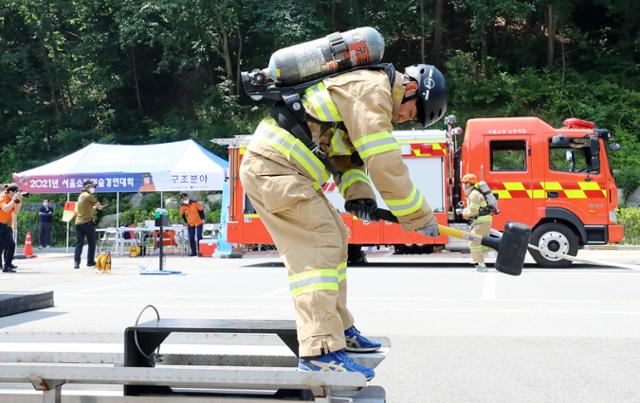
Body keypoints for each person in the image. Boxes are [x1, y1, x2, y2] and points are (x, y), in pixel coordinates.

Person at [239, 63, 447, 380]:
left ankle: (341, 329)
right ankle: (320, 353)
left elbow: (345, 154)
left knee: (336, 238)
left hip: (282, 171)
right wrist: (418, 216)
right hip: (274, 169)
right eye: (412, 113)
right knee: (319, 246)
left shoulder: (366, 91)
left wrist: (358, 193)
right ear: (412, 90)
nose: (405, 120)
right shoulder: (372, 89)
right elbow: (383, 161)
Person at [460, 173, 493, 272]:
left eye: (463, 183)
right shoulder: (473, 194)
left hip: (481, 222)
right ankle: (498, 250)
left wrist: (463, 212)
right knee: (480, 243)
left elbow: (472, 212)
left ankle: (481, 266)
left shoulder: (473, 195)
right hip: (482, 221)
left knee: (473, 243)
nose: (462, 186)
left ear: (467, 184)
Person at [74, 180, 103, 269]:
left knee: (79, 243)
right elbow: (98, 205)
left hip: (78, 223)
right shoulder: (88, 196)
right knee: (92, 242)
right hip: (87, 223)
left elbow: (86, 208)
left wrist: (93, 208)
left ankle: (76, 263)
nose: (94, 188)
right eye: (93, 187)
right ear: (88, 187)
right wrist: (99, 207)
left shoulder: (81, 196)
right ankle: (90, 262)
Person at [0, 185, 23, 272]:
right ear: (9, 192)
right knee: (3, 244)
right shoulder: (2, 197)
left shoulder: (11, 199)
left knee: (11, 244)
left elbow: (16, 211)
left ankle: (7, 265)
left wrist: (19, 201)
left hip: (5, 225)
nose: (15, 195)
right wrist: (14, 200)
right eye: (14, 193)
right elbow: (5, 208)